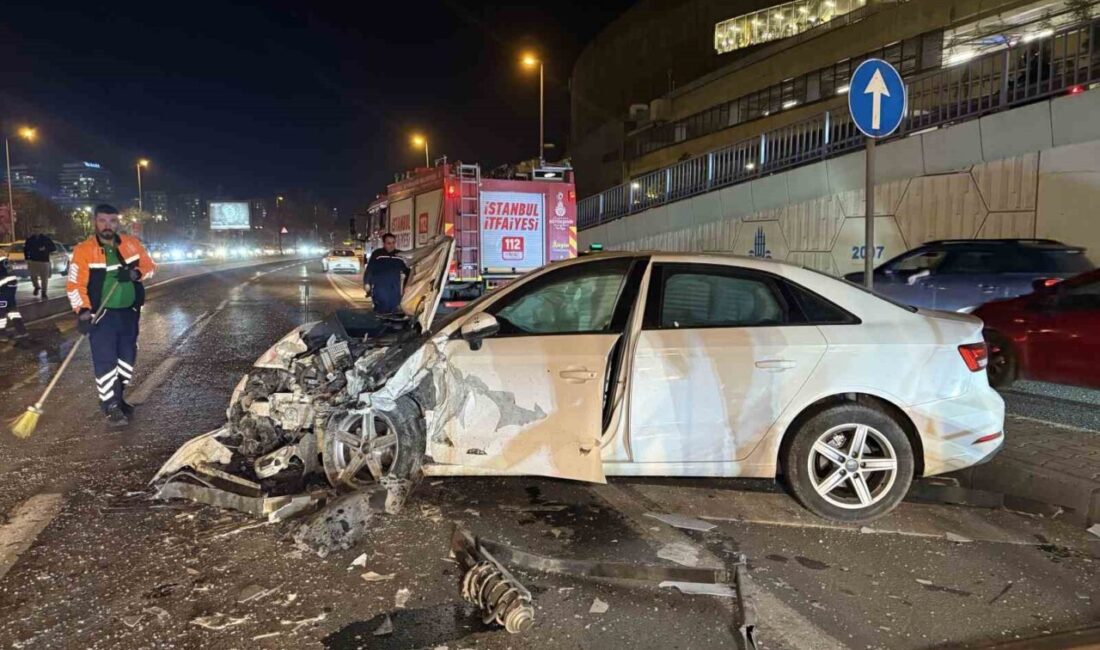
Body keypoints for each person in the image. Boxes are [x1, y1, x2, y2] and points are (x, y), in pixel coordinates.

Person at [66, 204, 156, 426]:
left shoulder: (131, 244)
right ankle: (110, 405)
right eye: (103, 221)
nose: (108, 225)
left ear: (118, 222)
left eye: (112, 221)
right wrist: (83, 312)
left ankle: (118, 396)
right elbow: (75, 284)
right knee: (106, 360)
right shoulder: (84, 250)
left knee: (127, 358)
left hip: (129, 313)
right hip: (102, 315)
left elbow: (151, 266)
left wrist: (136, 273)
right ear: (95, 222)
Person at [363, 233, 409, 314]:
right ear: (384, 243)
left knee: (394, 311)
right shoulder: (377, 254)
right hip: (380, 288)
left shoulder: (399, 255)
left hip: (394, 289)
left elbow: (407, 271)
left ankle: (390, 325)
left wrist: (407, 285)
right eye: (389, 243)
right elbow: (369, 269)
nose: (392, 245)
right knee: (382, 309)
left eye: (393, 243)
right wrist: (367, 283)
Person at [0, 250, 29, 342]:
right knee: (12, 310)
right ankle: (22, 331)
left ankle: (2, 334)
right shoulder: (5, 261)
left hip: (3, 289)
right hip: (11, 287)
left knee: (1, 312)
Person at [24, 232, 57, 299]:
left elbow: (53, 248)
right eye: (35, 228)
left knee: (44, 278)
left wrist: (45, 249)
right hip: (33, 260)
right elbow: (25, 249)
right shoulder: (30, 239)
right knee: (33, 276)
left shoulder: (46, 239)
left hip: (44, 260)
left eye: (38, 228)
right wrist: (27, 258)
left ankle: (44, 292)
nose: (36, 230)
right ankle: (36, 286)